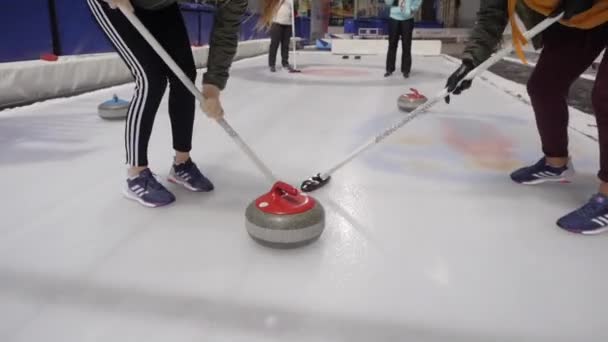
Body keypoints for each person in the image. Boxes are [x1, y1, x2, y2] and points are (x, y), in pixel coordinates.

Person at [445, 0, 608, 234]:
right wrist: (471, 62)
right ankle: (556, 163)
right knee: (544, 86)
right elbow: (492, 14)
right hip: (576, 17)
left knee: (605, 97)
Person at [87, 0, 246, 207]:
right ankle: (136, 174)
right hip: (113, 5)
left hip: (161, 5)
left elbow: (226, 33)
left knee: (185, 78)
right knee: (150, 78)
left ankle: (182, 164)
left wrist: (212, 89)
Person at [383, 0, 422, 78]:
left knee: (406, 45)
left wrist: (412, 9)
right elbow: (388, 2)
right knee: (392, 45)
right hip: (394, 17)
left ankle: (406, 70)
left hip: (408, 18)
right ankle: (389, 69)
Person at [266, 0, 296, 72]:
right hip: (277, 23)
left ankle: (285, 63)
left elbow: (293, 10)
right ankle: (272, 64)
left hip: (288, 24)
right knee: (274, 44)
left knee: (285, 45)